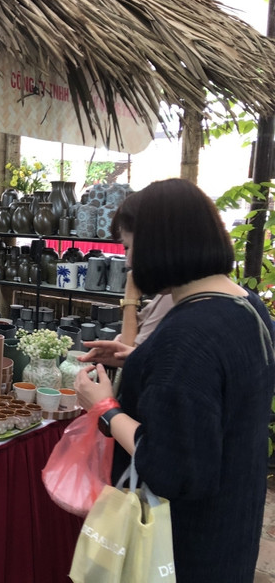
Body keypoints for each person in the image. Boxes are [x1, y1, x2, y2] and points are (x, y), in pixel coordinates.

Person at [74, 179, 274, 582]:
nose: (128, 264)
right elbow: (218, 395)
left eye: (129, 248)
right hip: (233, 520)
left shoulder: (186, 337)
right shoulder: (246, 307)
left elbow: (174, 467)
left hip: (181, 545)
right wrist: (141, 360)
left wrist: (105, 408)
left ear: (159, 246)